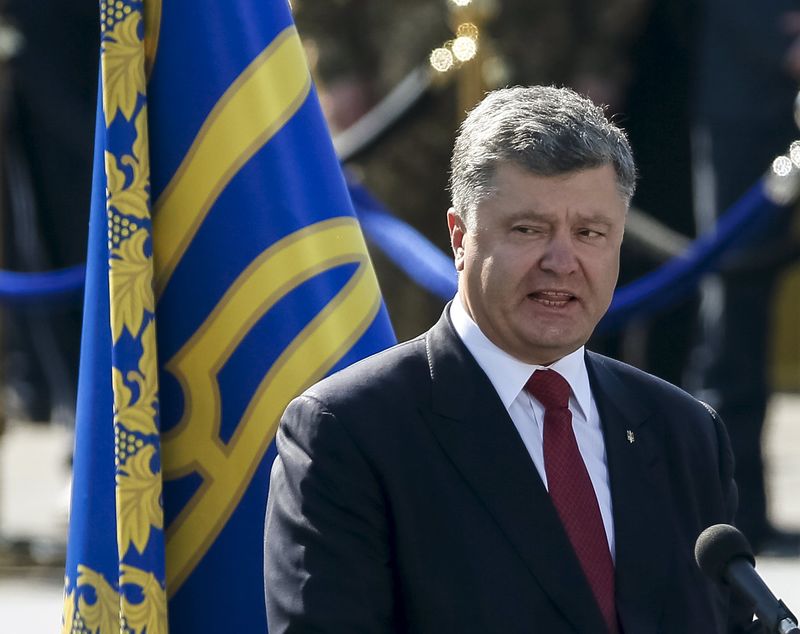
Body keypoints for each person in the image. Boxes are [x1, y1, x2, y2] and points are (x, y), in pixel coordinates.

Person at [264, 86, 756, 633]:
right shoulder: (349, 431)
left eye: (590, 232)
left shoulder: (685, 432)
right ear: (459, 237)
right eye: (529, 230)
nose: (562, 262)